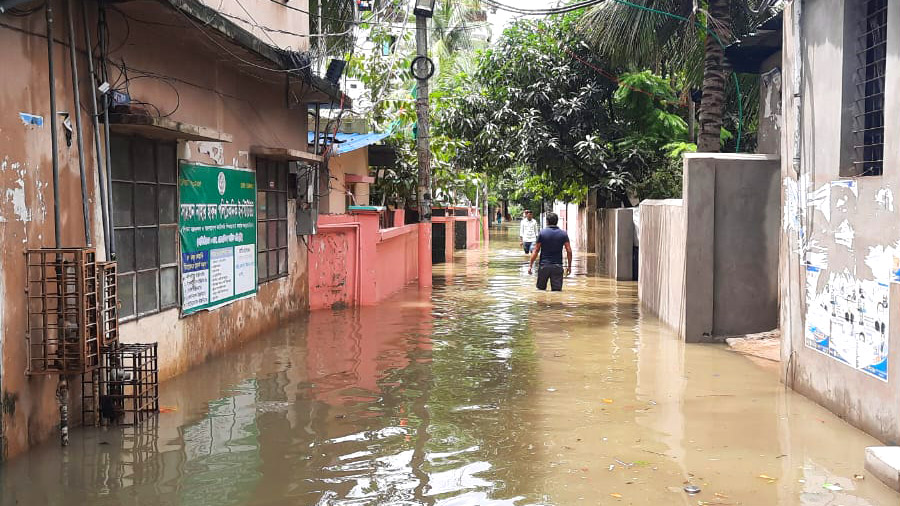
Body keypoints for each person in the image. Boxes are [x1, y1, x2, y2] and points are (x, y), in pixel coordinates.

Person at [528, 212, 572, 291]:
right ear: (557, 221)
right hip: (557, 266)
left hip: (544, 266)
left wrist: (530, 265)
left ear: (547, 221)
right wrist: (569, 266)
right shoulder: (563, 234)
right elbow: (569, 250)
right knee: (557, 292)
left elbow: (536, 250)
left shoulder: (542, 233)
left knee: (540, 291)